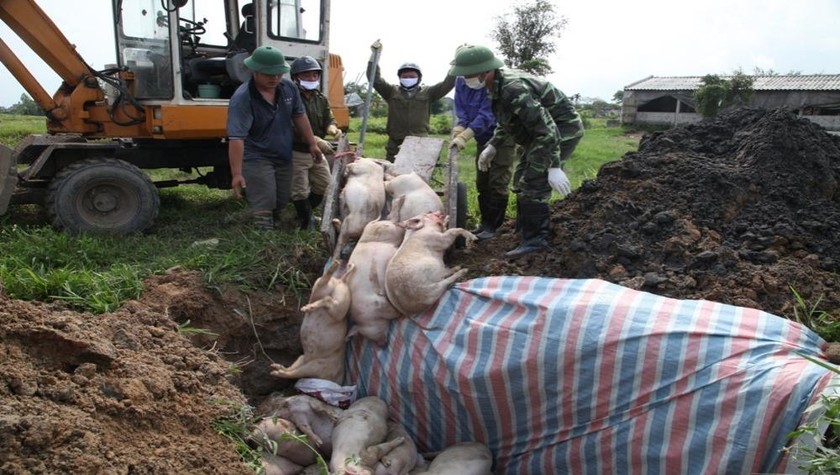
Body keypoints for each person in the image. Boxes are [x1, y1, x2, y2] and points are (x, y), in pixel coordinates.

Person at [448, 45, 584, 258]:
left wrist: (554, 167)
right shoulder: (495, 86)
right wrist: (493, 145)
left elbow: (548, 131)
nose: (466, 79)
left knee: (534, 183)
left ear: (485, 71)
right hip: (535, 134)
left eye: (469, 74)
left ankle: (536, 241)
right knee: (520, 180)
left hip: (562, 130)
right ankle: (523, 232)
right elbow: (508, 121)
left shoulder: (514, 89)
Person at [226, 45, 322, 231]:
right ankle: (263, 238)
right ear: (255, 71)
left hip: (283, 153)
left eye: (279, 73)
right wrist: (237, 173)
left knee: (281, 198)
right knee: (264, 197)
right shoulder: (243, 99)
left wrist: (312, 143)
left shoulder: (288, 88)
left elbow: (299, 116)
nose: (275, 78)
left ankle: (275, 222)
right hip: (257, 156)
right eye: (269, 74)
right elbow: (236, 138)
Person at [449, 74, 516, 241]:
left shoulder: (489, 80)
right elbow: (461, 107)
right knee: (482, 182)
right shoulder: (460, 81)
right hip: (482, 138)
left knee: (498, 182)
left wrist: (466, 136)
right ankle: (485, 224)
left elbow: (488, 114)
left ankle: (495, 227)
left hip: (501, 136)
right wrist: (460, 127)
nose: (467, 77)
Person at [368, 40, 455, 161]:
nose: (408, 79)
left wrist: (456, 64)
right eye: (405, 76)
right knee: (392, 176)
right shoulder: (391, 91)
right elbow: (374, 78)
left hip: (419, 143)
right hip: (396, 143)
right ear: (399, 78)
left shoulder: (429, 93)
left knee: (417, 176)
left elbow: (448, 84)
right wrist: (375, 56)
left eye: (412, 76)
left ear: (419, 78)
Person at [288, 55, 343, 230]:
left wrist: (332, 129)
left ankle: (304, 215)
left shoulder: (321, 99)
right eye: (306, 76)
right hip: (298, 150)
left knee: (324, 184)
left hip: (317, 152)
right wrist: (316, 140)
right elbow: (291, 125)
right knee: (300, 189)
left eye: (314, 75)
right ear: (295, 78)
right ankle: (305, 223)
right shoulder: (290, 98)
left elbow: (329, 118)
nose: (311, 79)